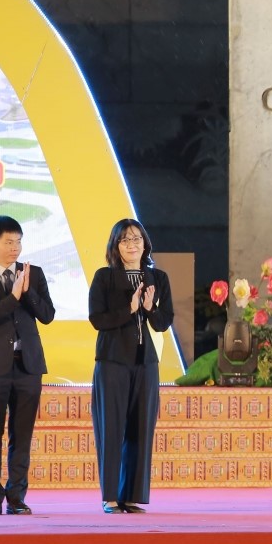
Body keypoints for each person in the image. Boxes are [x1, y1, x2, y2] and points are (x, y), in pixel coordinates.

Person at [0, 215, 56, 516]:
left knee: (22, 435)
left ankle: (17, 497)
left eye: (18, 242)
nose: (15, 248)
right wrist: (13, 296)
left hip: (28, 366)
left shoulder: (34, 274)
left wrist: (27, 291)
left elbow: (47, 315)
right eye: (8, 242)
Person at [88, 219, 174, 514]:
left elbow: (163, 322)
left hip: (145, 363)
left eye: (137, 239)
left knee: (141, 429)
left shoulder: (158, 278)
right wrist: (130, 309)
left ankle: (132, 495)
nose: (132, 245)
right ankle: (111, 497)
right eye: (125, 240)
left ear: (145, 243)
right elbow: (97, 319)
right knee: (111, 429)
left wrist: (149, 309)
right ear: (116, 246)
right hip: (112, 361)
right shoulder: (105, 277)